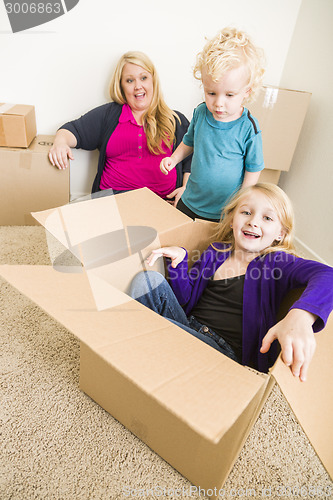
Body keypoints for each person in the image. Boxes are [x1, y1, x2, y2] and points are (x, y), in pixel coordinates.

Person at [130, 183, 333, 382]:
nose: (253, 222)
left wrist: (301, 317)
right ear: (231, 220)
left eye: (267, 218)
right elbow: (185, 299)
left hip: (223, 352)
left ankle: (152, 344)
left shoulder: (278, 263)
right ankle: (155, 346)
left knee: (159, 330)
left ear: (280, 234)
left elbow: (327, 275)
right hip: (186, 325)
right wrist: (180, 259)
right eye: (246, 212)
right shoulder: (214, 252)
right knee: (147, 280)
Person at [48, 51, 191, 205]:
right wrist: (60, 142)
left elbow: (192, 160)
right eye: (130, 80)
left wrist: (186, 188)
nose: (138, 86)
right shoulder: (108, 115)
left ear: (153, 81)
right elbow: (72, 130)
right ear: (121, 86)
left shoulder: (176, 120)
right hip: (112, 204)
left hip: (162, 205)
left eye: (143, 78)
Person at [160, 27, 265, 221]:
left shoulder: (248, 127)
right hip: (190, 199)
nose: (218, 103)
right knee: (178, 242)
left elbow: (253, 168)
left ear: (247, 91)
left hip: (224, 210)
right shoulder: (201, 112)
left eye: (230, 95)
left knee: (212, 250)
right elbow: (189, 141)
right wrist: (173, 159)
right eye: (211, 93)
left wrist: (242, 202)